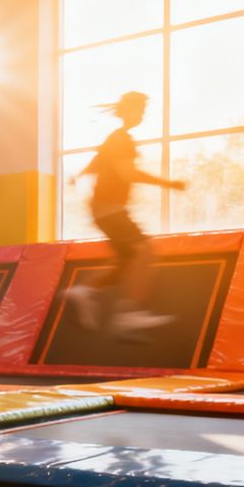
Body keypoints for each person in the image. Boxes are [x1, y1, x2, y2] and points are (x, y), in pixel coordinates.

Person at [63, 91, 187, 339]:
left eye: (143, 111)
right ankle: (128, 315)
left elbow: (95, 164)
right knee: (145, 250)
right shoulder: (122, 140)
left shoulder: (113, 139)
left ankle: (83, 291)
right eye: (139, 110)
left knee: (125, 263)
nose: (141, 115)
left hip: (103, 209)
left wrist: (79, 176)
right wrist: (168, 183)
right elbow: (128, 174)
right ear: (128, 110)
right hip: (110, 209)